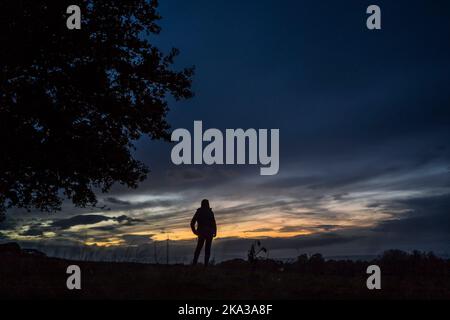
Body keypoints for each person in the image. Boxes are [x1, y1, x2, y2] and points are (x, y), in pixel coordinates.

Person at [191, 199, 217, 266]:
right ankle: (205, 266)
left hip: (202, 232)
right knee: (206, 249)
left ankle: (195, 264)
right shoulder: (210, 212)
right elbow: (214, 223)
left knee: (199, 248)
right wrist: (215, 231)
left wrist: (195, 231)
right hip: (209, 233)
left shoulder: (200, 212)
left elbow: (192, 223)